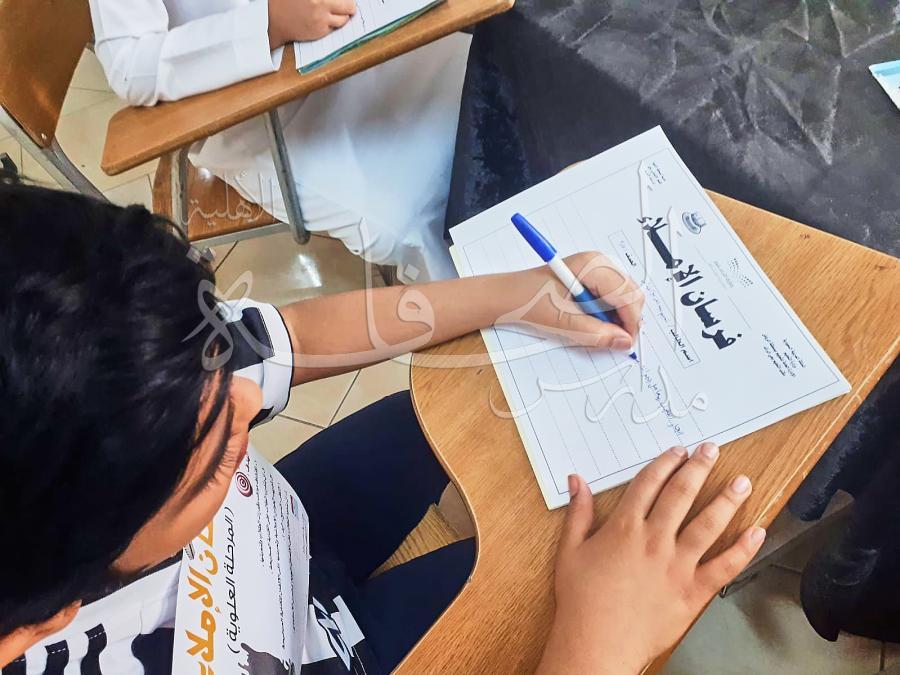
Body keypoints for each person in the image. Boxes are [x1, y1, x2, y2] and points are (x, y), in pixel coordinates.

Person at [0, 180, 765, 673]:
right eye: (209, 458)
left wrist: (521, 292)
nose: (249, 399)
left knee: (455, 413)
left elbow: (294, 337)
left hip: (279, 529)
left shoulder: (97, 371)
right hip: (332, 654)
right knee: (571, 576)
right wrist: (598, 647)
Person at [88, 0, 473, 283]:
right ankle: (483, 324)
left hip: (361, 37)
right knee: (414, 218)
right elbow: (131, 66)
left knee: (489, 91)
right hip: (260, 117)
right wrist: (267, 25)